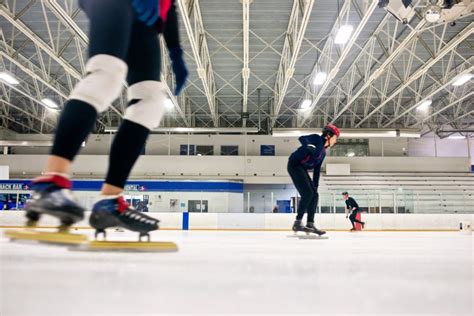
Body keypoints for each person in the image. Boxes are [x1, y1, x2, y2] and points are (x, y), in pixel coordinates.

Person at [24, 0, 187, 239]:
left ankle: (109, 201)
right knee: (106, 74)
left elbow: (170, 5)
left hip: (147, 22)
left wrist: (175, 50)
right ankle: (51, 183)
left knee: (151, 102)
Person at [287, 124, 340, 235]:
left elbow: (317, 169)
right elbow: (302, 138)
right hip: (294, 165)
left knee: (314, 195)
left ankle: (310, 224)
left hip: (302, 168)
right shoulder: (317, 139)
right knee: (307, 194)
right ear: (329, 135)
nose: (336, 141)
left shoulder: (323, 153)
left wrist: (315, 186)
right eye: (336, 137)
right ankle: (297, 223)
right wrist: (309, 145)